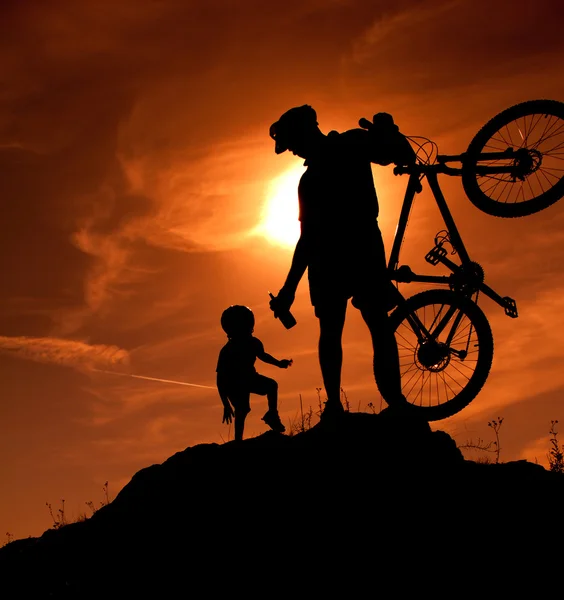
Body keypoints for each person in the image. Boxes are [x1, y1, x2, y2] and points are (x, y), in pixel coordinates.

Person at [268, 105, 416, 419]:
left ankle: (391, 403)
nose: (292, 151)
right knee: (347, 328)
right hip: (338, 256)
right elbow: (306, 239)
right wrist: (288, 290)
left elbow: (400, 155)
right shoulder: (314, 175)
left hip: (353, 251)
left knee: (372, 325)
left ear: (305, 132)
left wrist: (389, 134)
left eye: (292, 143)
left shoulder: (350, 144)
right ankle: (339, 405)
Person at [216, 304, 293, 441]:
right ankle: (238, 440)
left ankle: (272, 415)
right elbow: (220, 379)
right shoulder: (227, 351)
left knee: (271, 386)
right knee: (242, 408)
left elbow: (263, 356)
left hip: (249, 378)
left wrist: (279, 363)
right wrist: (226, 403)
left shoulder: (253, 342)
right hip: (233, 383)